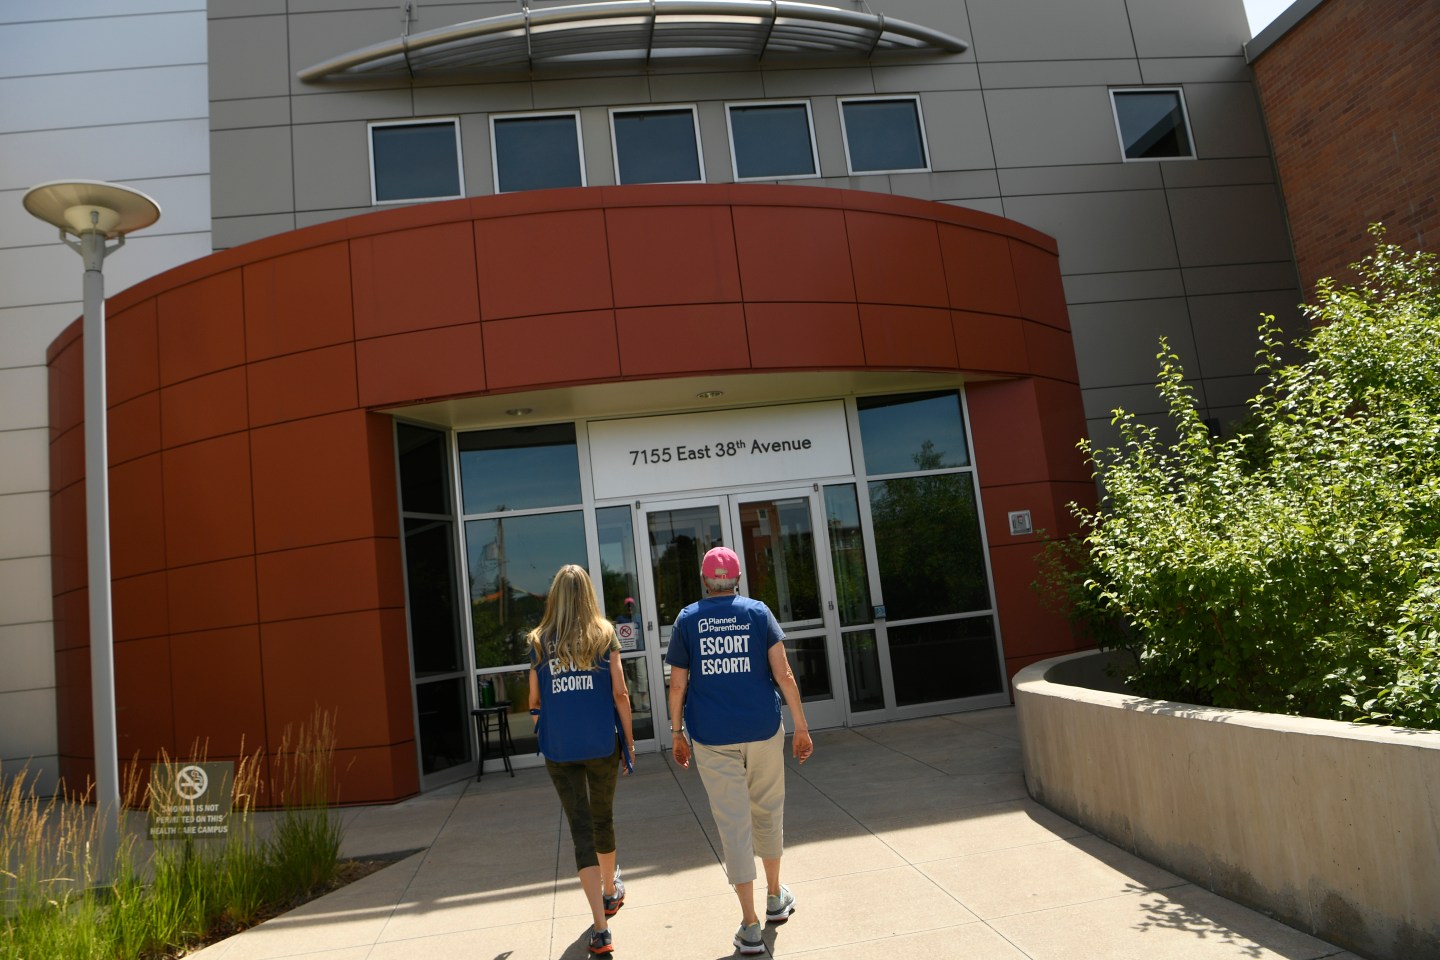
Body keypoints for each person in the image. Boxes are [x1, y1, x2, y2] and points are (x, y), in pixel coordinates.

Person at [665, 546, 815, 956]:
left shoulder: (688, 619)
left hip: (711, 736)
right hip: (763, 729)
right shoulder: (758, 613)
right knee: (767, 809)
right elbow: (783, 673)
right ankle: (773, 897)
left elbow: (677, 684)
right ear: (737, 579)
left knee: (733, 822)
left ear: (703, 579)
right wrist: (801, 726)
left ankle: (750, 925)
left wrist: (676, 732)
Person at [528, 564, 637, 956]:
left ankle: (601, 928)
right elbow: (621, 694)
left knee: (580, 829)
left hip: (560, 749)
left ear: (555, 596)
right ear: (589, 594)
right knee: (602, 817)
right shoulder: (605, 636)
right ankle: (611, 891)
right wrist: (628, 739)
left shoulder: (540, 641)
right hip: (600, 744)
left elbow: (534, 702)